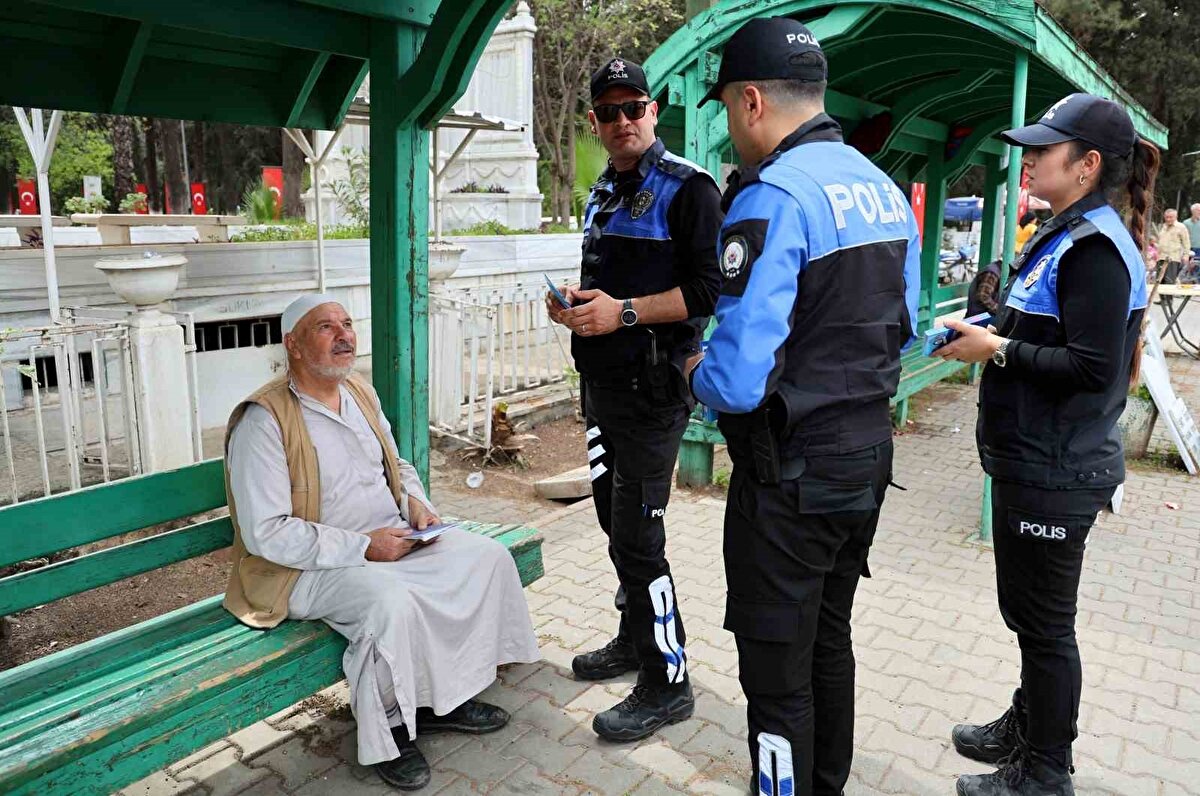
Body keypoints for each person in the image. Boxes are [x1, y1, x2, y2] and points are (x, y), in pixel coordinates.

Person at [685, 18, 920, 796]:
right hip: (865, 463)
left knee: (776, 671)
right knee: (829, 642)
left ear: (752, 100)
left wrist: (693, 372)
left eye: (724, 107)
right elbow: (907, 326)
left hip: (788, 477)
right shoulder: (883, 189)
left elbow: (740, 376)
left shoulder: (774, 197)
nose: (728, 125)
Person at [933, 93, 1159, 796]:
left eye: (1044, 148)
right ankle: (1026, 724)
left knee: (1046, 628)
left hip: (1057, 470)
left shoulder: (1095, 250)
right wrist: (989, 316)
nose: (1028, 158)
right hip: (1036, 461)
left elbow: (1091, 369)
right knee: (1029, 617)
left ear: (1087, 165)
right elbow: (1043, 330)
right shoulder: (1065, 231)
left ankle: (1044, 772)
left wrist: (994, 347)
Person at [223, 294, 540, 791]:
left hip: (392, 539)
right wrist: (362, 547)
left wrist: (415, 503)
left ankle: (440, 700)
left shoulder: (360, 395)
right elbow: (268, 533)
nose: (344, 335)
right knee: (389, 603)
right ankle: (391, 730)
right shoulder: (263, 421)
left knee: (487, 558)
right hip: (306, 568)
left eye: (347, 324)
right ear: (294, 345)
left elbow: (399, 467)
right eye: (325, 327)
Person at [544, 57, 723, 741]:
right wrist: (579, 310)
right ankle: (632, 638)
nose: (621, 122)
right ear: (595, 120)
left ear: (655, 111)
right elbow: (610, 290)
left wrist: (620, 315)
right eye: (608, 112)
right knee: (615, 530)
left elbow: (709, 292)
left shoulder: (690, 190)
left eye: (633, 108)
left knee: (641, 541)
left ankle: (667, 682)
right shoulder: (605, 188)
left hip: (653, 393)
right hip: (602, 390)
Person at [1156, 207, 1191, 283]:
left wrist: (1186, 255)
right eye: (1166, 217)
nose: (1168, 219)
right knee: (1159, 282)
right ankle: (1162, 295)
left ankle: (1169, 296)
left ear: (1176, 217)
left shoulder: (1181, 227)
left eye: (1171, 217)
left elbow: (1186, 243)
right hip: (1160, 258)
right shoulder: (1163, 227)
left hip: (1173, 259)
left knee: (1169, 282)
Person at [1182, 202, 1200, 281]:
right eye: (1198, 210)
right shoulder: (1186, 223)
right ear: (1192, 211)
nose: (1199, 212)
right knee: (1187, 268)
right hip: (1189, 249)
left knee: (1198, 269)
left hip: (1199, 248)